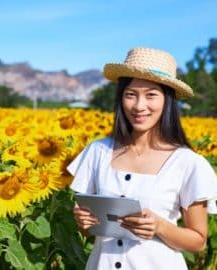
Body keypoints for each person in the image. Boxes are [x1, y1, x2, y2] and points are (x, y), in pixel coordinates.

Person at [67, 47, 217, 270]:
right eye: (131, 94)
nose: (139, 106)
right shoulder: (97, 151)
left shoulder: (188, 163)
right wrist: (84, 222)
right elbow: (88, 227)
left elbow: (198, 241)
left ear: (167, 99)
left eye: (151, 95)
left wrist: (159, 227)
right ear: (121, 98)